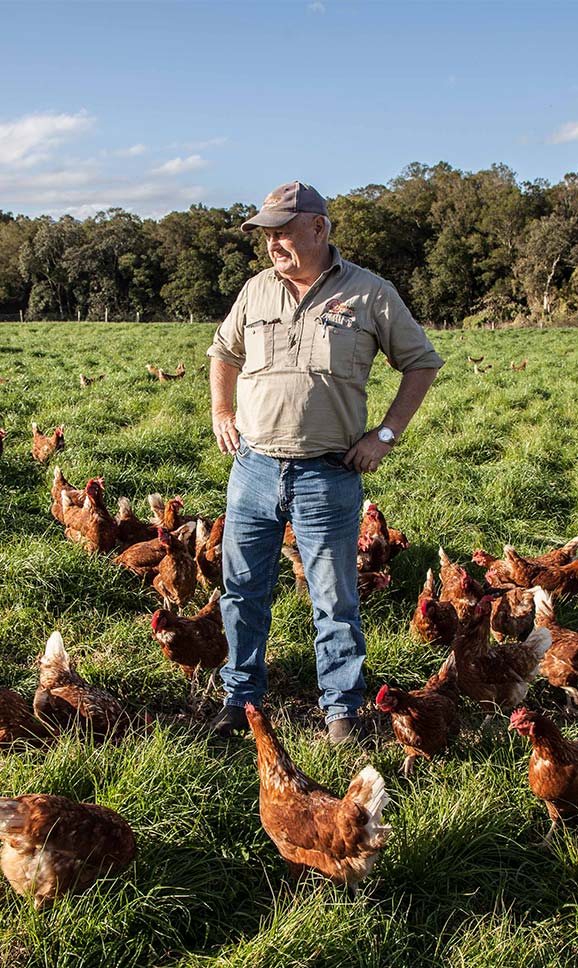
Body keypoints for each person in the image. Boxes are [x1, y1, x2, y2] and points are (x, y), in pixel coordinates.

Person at [206, 181, 443, 742]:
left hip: (327, 472)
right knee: (241, 589)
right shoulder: (256, 291)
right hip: (255, 467)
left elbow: (422, 363)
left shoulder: (370, 292)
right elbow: (223, 351)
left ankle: (341, 709)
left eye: (284, 231)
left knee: (334, 596)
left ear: (319, 228)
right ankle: (240, 699)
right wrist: (221, 409)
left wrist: (384, 435)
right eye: (267, 234)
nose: (273, 244)